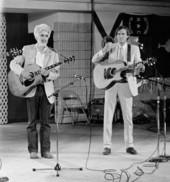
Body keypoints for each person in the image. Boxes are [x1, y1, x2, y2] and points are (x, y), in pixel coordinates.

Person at [92, 26, 145, 155]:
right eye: (118, 34)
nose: (120, 36)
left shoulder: (134, 49)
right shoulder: (111, 47)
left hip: (126, 83)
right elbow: (94, 60)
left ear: (128, 36)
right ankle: (107, 145)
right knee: (108, 114)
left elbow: (138, 64)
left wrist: (141, 67)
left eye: (123, 34)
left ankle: (129, 145)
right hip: (111, 84)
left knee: (128, 116)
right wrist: (104, 49)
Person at [10, 24, 60, 159]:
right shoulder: (27, 50)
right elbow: (13, 64)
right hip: (31, 89)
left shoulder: (53, 53)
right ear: (36, 36)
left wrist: (48, 73)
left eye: (46, 36)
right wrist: (22, 73)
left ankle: (46, 151)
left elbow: (56, 73)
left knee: (46, 122)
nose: (44, 38)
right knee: (31, 121)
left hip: (46, 89)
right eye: (42, 35)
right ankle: (33, 150)